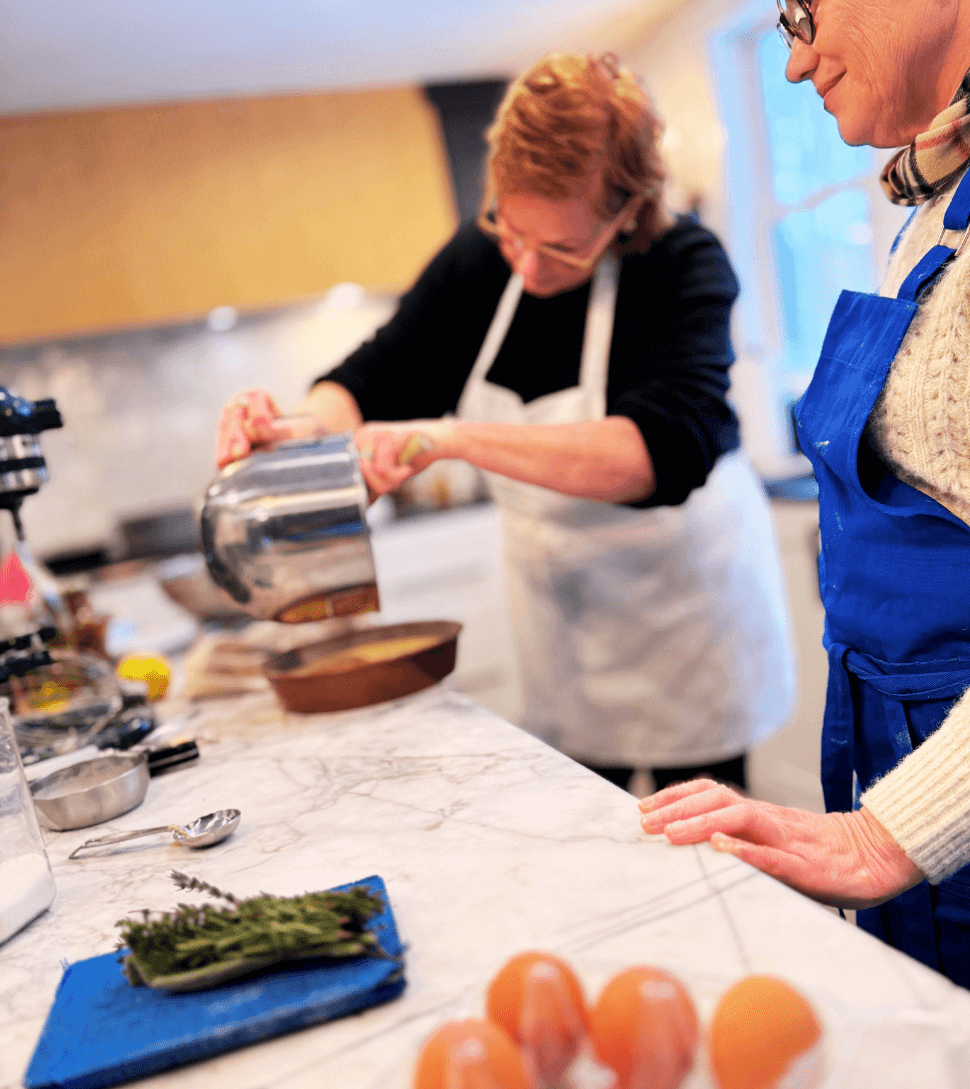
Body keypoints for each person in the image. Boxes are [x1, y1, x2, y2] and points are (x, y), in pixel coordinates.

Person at [641, 0, 970, 1023]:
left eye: (803, 12)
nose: (794, 62)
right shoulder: (955, 189)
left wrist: (892, 835)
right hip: (950, 810)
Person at [217, 53, 795, 795]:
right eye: (511, 229)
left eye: (561, 246)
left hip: (683, 611)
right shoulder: (478, 261)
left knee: (706, 826)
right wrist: (296, 427)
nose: (526, 267)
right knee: (588, 808)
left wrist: (448, 440)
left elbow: (657, 452)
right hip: (565, 622)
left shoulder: (682, 264)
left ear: (626, 209)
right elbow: (371, 378)